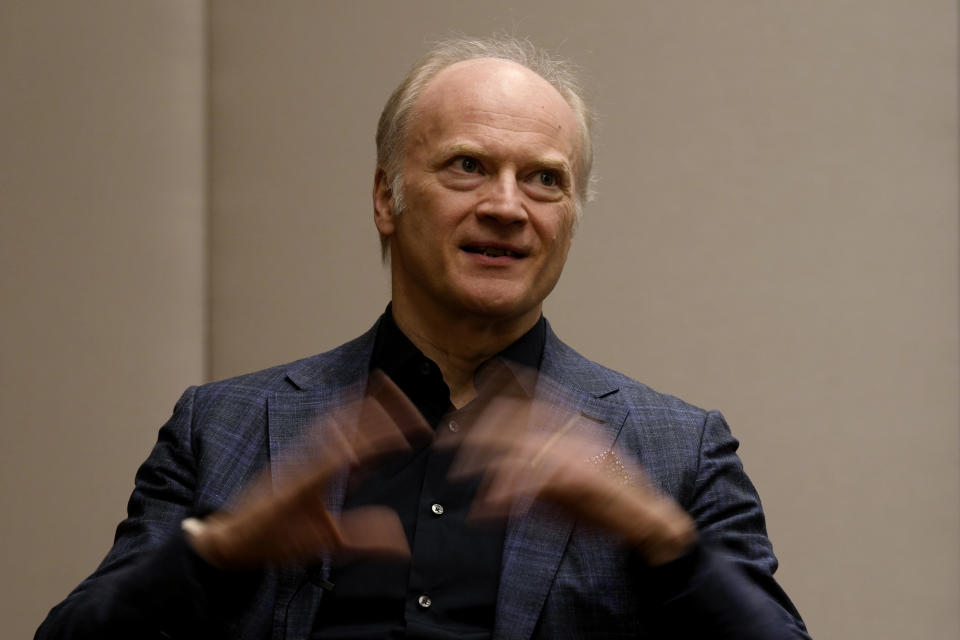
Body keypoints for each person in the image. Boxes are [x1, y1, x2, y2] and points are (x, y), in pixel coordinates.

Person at [36, 36, 811, 639]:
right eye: (468, 166)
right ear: (386, 197)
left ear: (571, 218)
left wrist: (661, 540)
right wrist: (218, 553)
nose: (509, 206)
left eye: (544, 178)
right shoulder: (223, 428)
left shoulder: (677, 451)